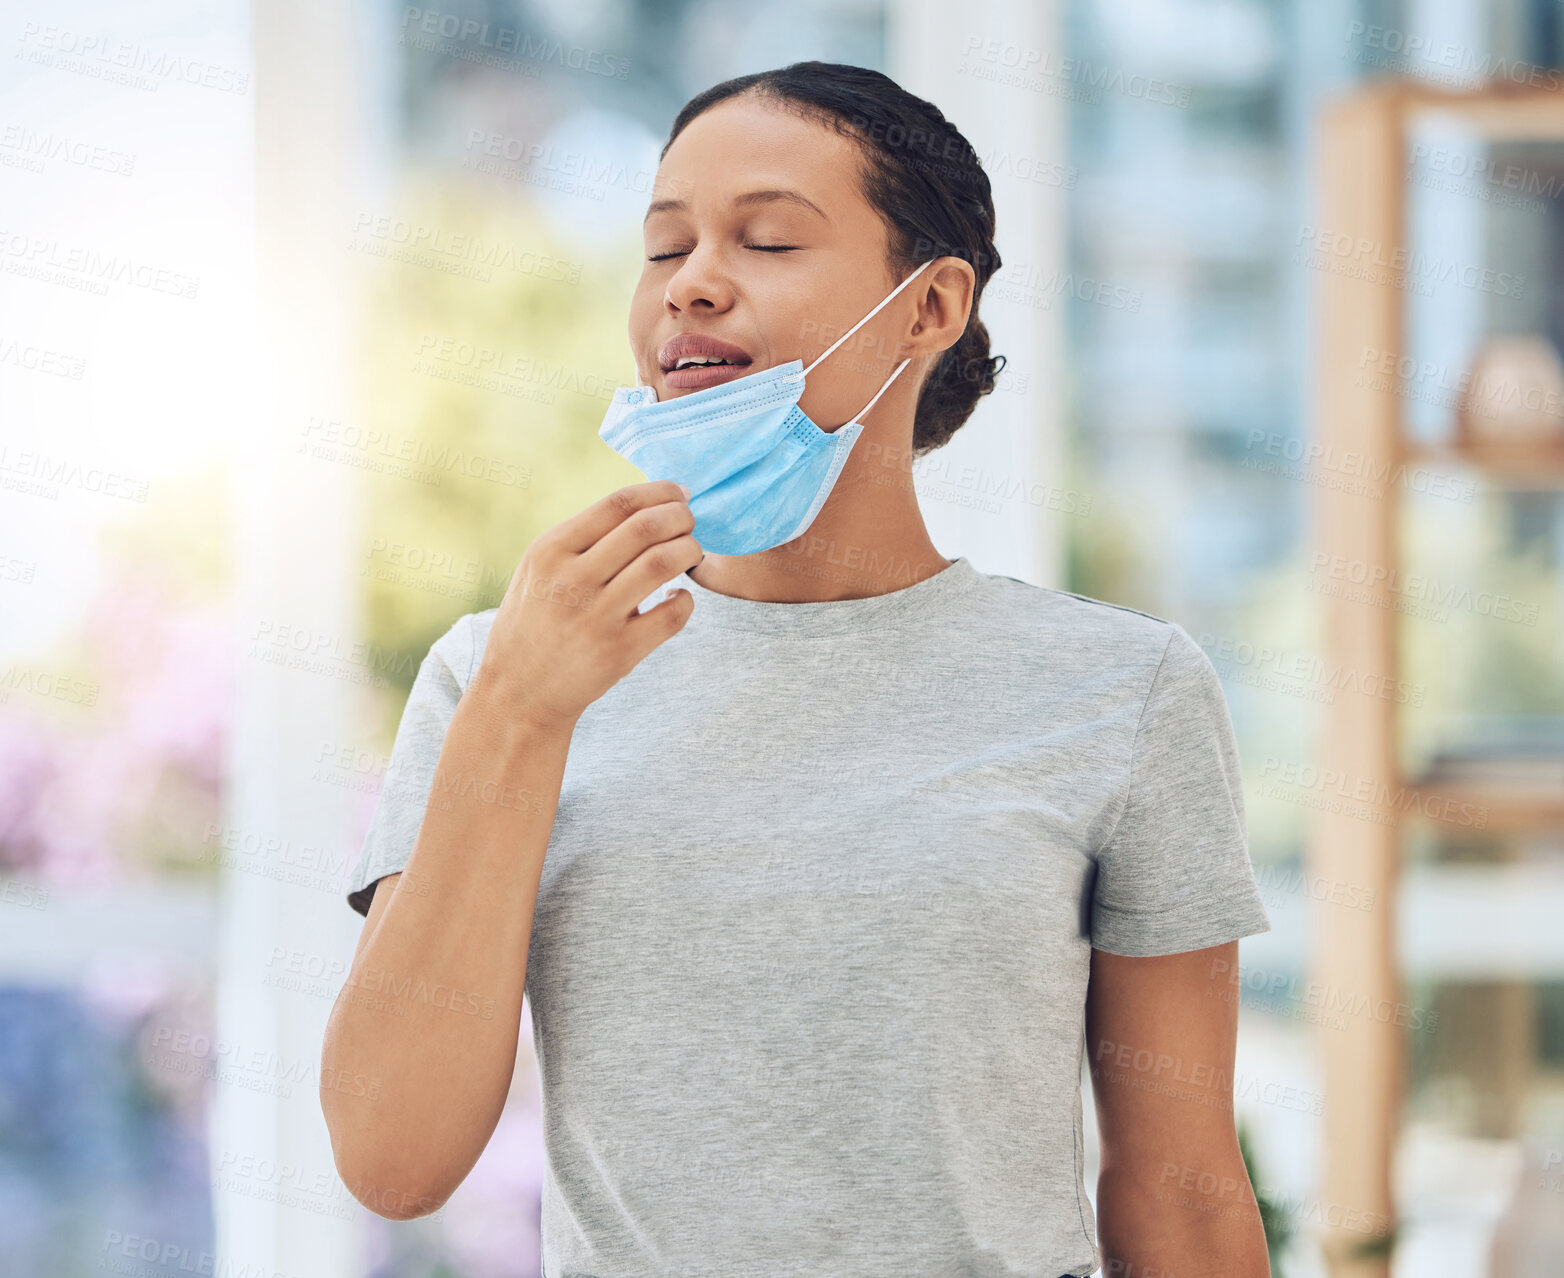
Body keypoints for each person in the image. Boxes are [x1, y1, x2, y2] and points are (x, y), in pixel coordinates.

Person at [321, 60, 1274, 1278]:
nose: (694, 285)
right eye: (664, 251)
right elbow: (393, 1160)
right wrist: (522, 709)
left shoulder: (1123, 692)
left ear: (930, 308)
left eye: (766, 239)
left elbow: (1181, 1195)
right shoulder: (495, 674)